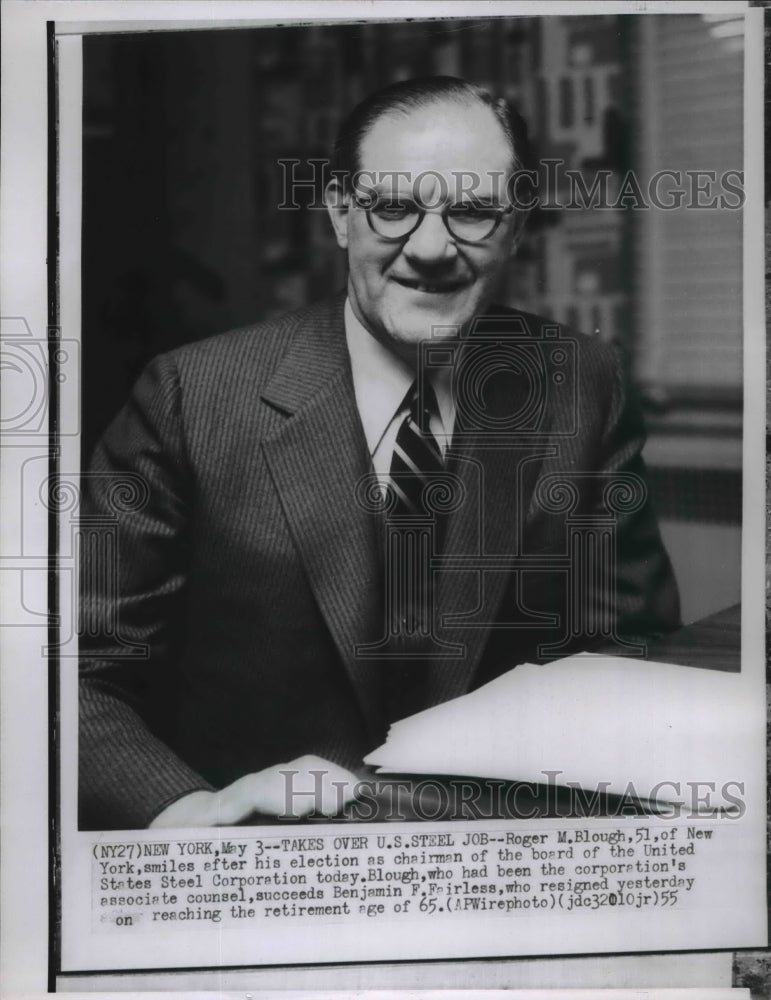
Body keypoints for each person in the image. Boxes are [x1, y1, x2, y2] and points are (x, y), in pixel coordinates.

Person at [79, 76, 680, 830]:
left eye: (471, 211)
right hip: (259, 867)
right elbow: (79, 670)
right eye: (393, 207)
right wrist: (187, 810)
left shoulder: (579, 383)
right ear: (338, 212)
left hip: (502, 866)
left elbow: (625, 652)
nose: (430, 249)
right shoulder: (189, 396)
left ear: (517, 224)